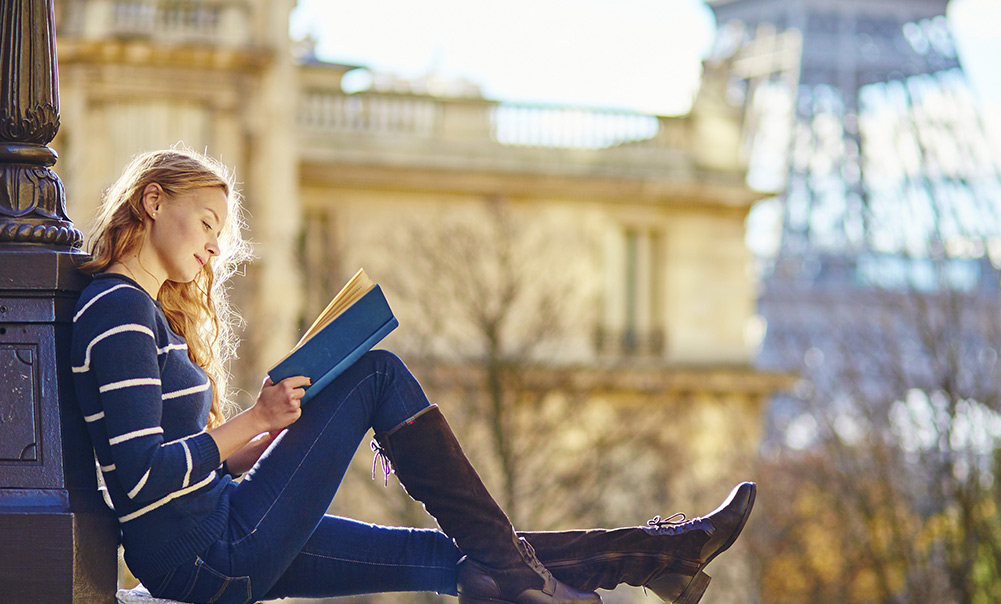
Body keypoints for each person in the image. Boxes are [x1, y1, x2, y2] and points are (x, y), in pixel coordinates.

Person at [71, 147, 756, 604]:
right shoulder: (120, 311)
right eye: (208, 222)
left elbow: (177, 467)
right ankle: (619, 562)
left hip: (216, 530)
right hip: (205, 551)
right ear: (154, 201)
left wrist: (273, 432)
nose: (215, 245)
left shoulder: (140, 314)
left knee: (458, 562)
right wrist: (257, 421)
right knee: (374, 374)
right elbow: (138, 479)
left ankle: (662, 555)